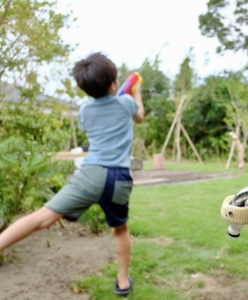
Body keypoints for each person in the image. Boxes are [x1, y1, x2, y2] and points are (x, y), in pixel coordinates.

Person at [0, 52, 144, 296]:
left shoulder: (84, 112)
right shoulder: (126, 103)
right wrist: (136, 91)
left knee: (43, 217)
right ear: (113, 84)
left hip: (91, 174)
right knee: (120, 229)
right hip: (119, 178)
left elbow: (101, 115)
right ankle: (122, 281)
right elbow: (139, 117)